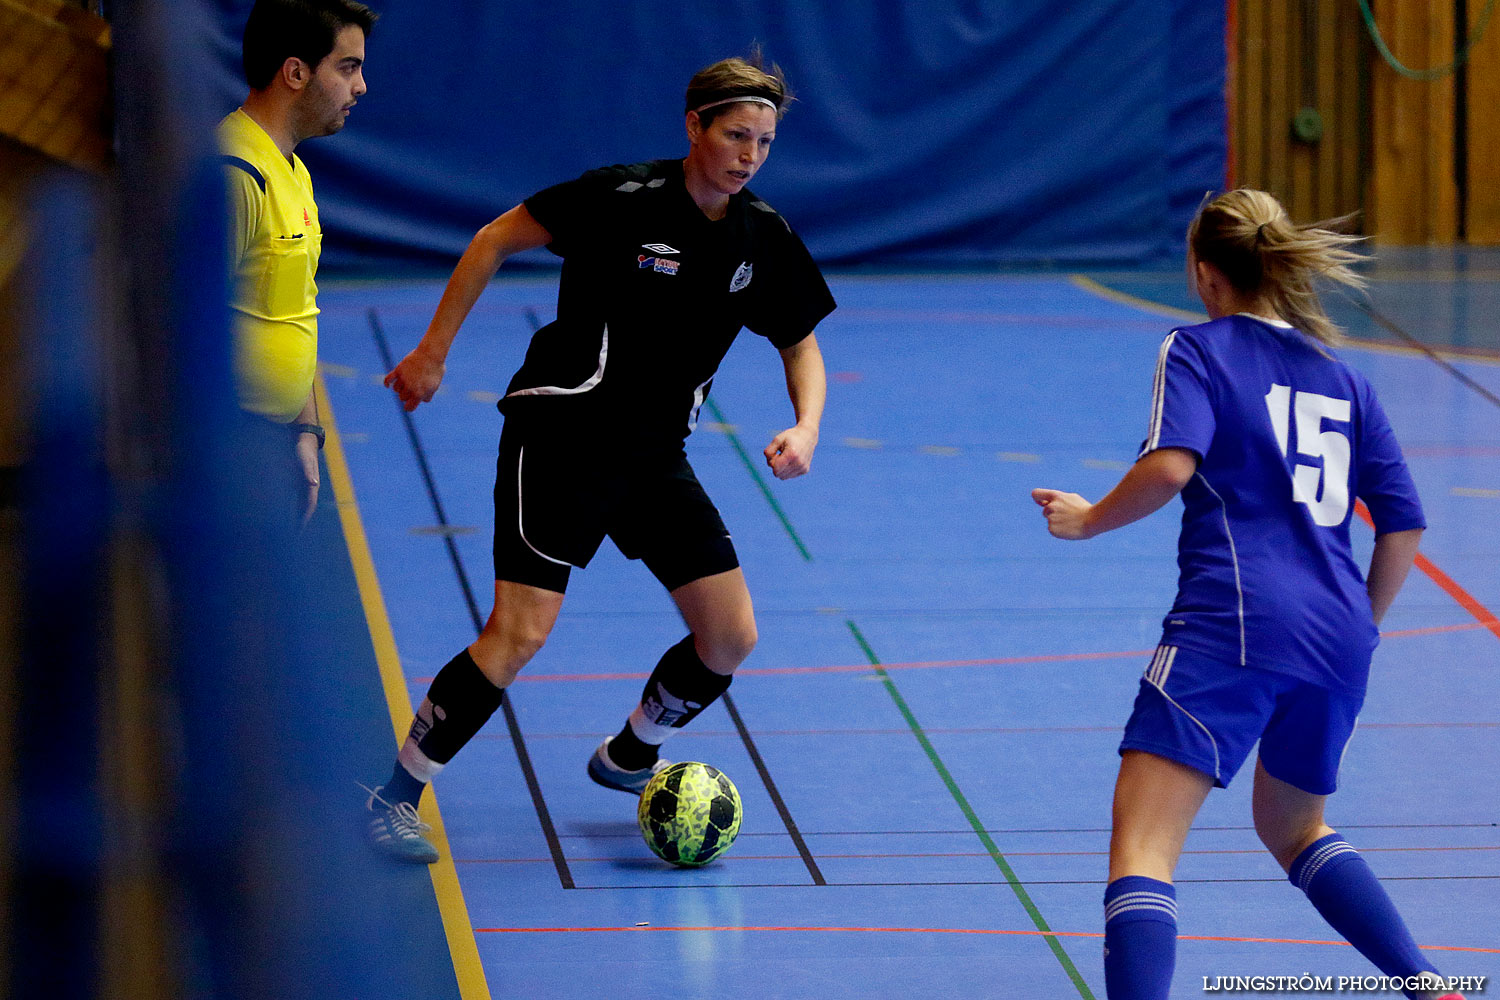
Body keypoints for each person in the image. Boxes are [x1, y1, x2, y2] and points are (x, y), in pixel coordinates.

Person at [362, 54, 836, 864]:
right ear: (694, 127)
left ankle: (628, 753)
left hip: (655, 459)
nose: (749, 154)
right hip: (561, 438)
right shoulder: (620, 199)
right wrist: (432, 353)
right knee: (519, 634)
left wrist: (808, 424)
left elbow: (802, 344)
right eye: (735, 135)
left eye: (763, 141)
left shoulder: (762, 235)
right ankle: (393, 793)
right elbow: (493, 240)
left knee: (729, 638)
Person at [1031, 190, 1464, 1000]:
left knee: (1143, 851)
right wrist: (1359, 626)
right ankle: (1429, 987)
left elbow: (1169, 467)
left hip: (1232, 623)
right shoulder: (1344, 379)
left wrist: (1088, 521)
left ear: (1205, 272)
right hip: (1338, 642)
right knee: (1297, 828)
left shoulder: (1197, 349)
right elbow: (1403, 524)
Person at [220, 0, 375, 523]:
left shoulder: (293, 171)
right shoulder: (235, 173)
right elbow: (177, 328)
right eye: (348, 67)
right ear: (295, 72)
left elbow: (292, 314)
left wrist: (306, 431)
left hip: (274, 441)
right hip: (231, 450)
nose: (361, 87)